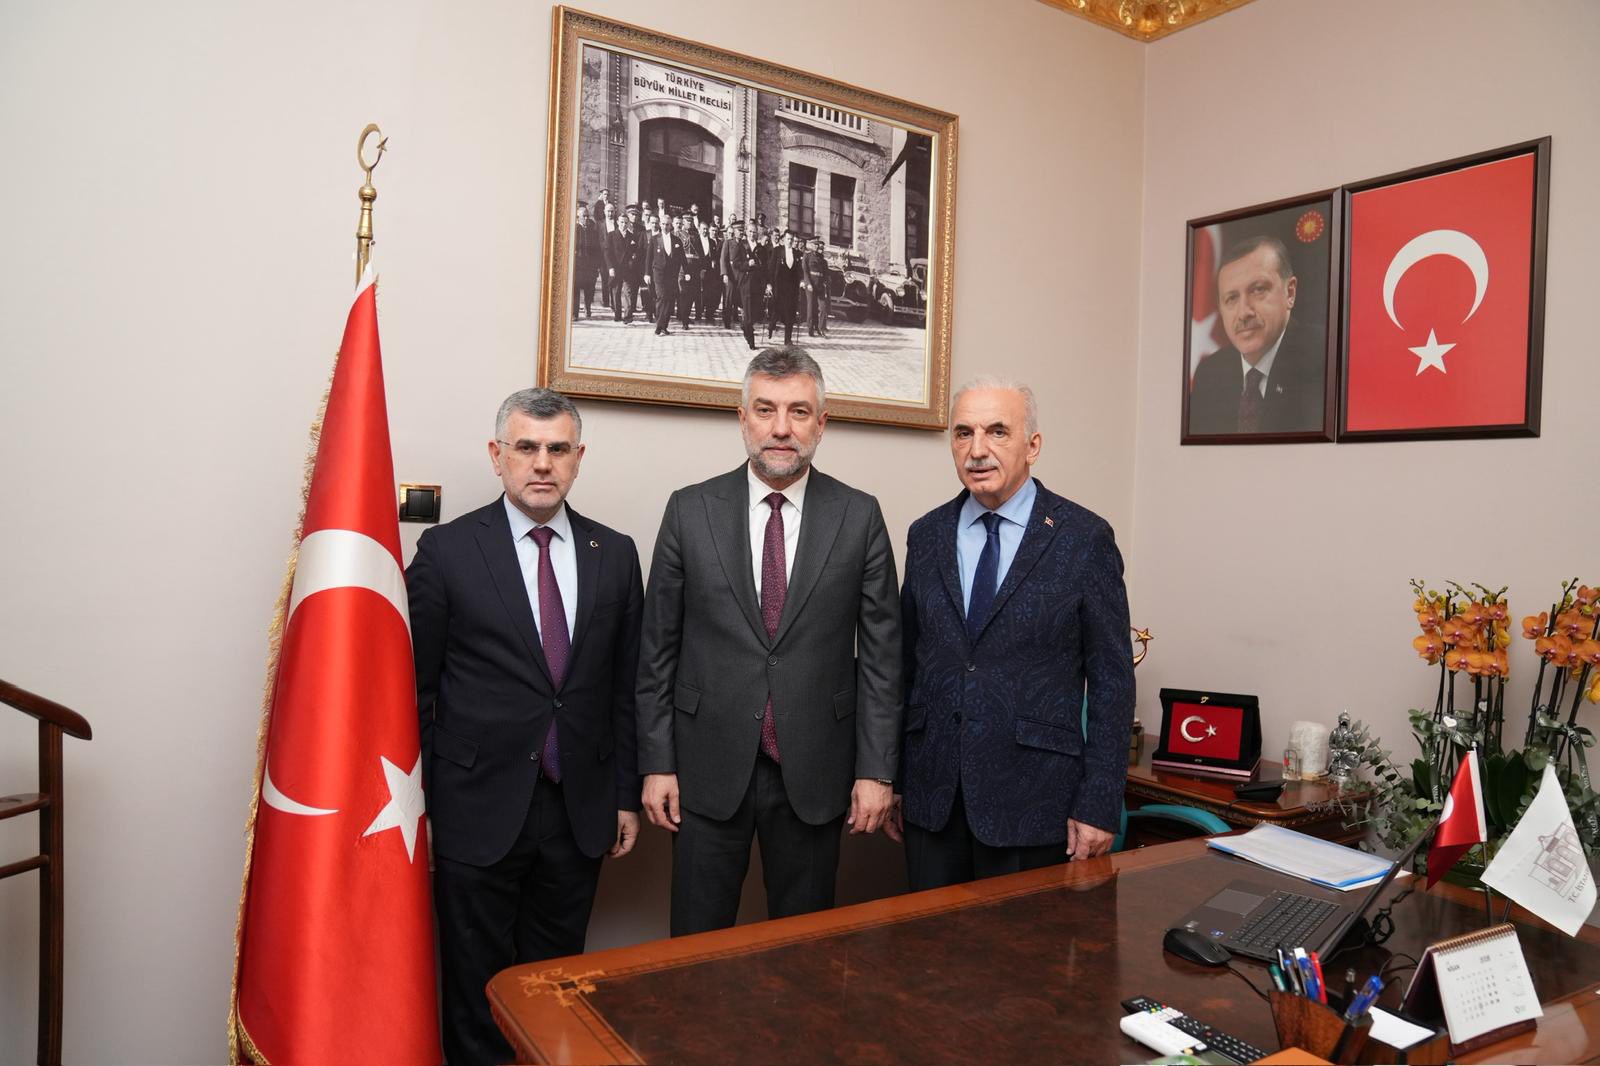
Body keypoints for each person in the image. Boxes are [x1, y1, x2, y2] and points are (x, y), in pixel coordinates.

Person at [408, 388, 644, 1065]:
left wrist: (624, 795)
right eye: (527, 448)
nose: (542, 463)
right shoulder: (447, 551)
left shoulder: (614, 553)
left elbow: (626, 688)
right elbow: (416, 690)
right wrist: (422, 804)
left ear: (578, 457)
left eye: (557, 449)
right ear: (497, 455)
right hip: (473, 807)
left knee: (555, 991)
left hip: (577, 809)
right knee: (475, 990)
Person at [636, 348, 903, 936]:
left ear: (821, 423)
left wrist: (877, 772)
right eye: (765, 410)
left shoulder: (859, 516)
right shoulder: (689, 510)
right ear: (743, 419)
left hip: (816, 769)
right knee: (697, 947)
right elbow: (656, 652)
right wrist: (656, 763)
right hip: (704, 768)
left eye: (799, 412)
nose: (782, 428)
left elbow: (883, 661)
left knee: (805, 951)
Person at [892, 378, 1134, 891]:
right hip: (933, 798)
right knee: (928, 943)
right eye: (963, 433)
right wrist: (891, 777)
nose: (977, 450)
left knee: (1023, 944)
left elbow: (1112, 683)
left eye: (997, 431)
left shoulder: (1084, 538)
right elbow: (904, 667)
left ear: (1033, 445)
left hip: (1036, 801)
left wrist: (1099, 802)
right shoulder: (926, 535)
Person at [1187, 235, 1325, 435]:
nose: (1244, 313)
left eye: (1258, 290)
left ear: (1290, 293)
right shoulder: (1210, 374)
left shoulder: (1324, 357)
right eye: (1232, 298)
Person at [646, 216, 687, 336]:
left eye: (667, 224)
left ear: (671, 226)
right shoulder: (654, 239)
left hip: (672, 274)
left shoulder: (677, 240)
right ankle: (659, 326)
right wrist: (647, 273)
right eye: (663, 224)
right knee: (662, 297)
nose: (665, 226)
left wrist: (687, 272)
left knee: (669, 299)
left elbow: (683, 258)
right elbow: (648, 258)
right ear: (660, 224)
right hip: (658, 274)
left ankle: (664, 326)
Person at [730, 226, 769, 351]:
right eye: (750, 231)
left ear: (757, 234)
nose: (752, 234)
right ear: (746, 232)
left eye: (754, 232)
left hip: (758, 284)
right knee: (748, 313)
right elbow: (735, 263)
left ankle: (744, 325)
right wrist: (747, 264)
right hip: (746, 283)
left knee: (756, 312)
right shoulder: (741, 246)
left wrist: (767, 283)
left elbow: (765, 267)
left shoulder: (761, 248)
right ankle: (751, 341)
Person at [767, 231, 804, 346]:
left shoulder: (796, 253)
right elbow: (771, 268)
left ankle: (787, 339)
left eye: (792, 239)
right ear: (783, 239)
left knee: (790, 313)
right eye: (788, 239)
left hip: (791, 288)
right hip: (779, 286)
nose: (790, 241)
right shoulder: (777, 251)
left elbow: (799, 270)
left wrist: (802, 280)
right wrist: (769, 283)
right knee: (777, 310)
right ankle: (771, 326)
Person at [607, 212, 641, 324]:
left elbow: (635, 252)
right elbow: (607, 253)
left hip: (628, 269)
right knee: (616, 292)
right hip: (616, 268)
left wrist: (633, 259)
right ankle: (617, 315)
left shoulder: (632, 236)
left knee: (628, 292)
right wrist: (610, 267)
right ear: (617, 222)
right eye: (621, 222)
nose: (623, 225)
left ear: (628, 223)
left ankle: (627, 316)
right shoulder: (611, 235)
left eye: (626, 223)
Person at [571, 202, 602, 319]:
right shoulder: (574, 229)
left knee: (589, 289)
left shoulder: (592, 231)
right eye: (584, 216)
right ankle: (574, 313)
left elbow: (597, 249)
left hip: (590, 267)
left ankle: (588, 308)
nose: (586, 218)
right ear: (578, 217)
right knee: (576, 289)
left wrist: (597, 266)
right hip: (578, 266)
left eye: (587, 216)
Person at [802, 237, 831, 338]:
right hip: (811, 285)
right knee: (811, 307)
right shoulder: (807, 256)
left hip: (820, 286)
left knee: (823, 308)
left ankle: (821, 328)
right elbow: (805, 271)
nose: (820, 249)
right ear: (813, 246)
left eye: (822, 248)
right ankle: (810, 329)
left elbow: (826, 274)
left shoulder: (823, 261)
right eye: (817, 246)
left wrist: (825, 284)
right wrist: (808, 283)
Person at [720, 220, 743, 330]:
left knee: (739, 298)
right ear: (734, 231)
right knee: (728, 299)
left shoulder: (743, 244)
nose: (741, 232)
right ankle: (727, 321)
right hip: (730, 275)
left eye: (742, 230)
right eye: (739, 230)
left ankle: (738, 318)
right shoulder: (728, 243)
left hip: (740, 276)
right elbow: (723, 259)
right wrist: (724, 273)